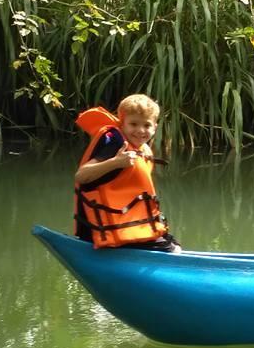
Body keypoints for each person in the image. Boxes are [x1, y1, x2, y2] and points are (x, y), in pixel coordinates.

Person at [74, 94, 181, 252]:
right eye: (133, 124)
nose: (140, 130)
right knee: (173, 250)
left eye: (147, 125)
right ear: (122, 123)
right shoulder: (115, 144)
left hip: (125, 226)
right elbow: (81, 176)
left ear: (155, 127)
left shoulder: (142, 150)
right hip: (101, 230)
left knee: (173, 243)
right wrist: (115, 162)